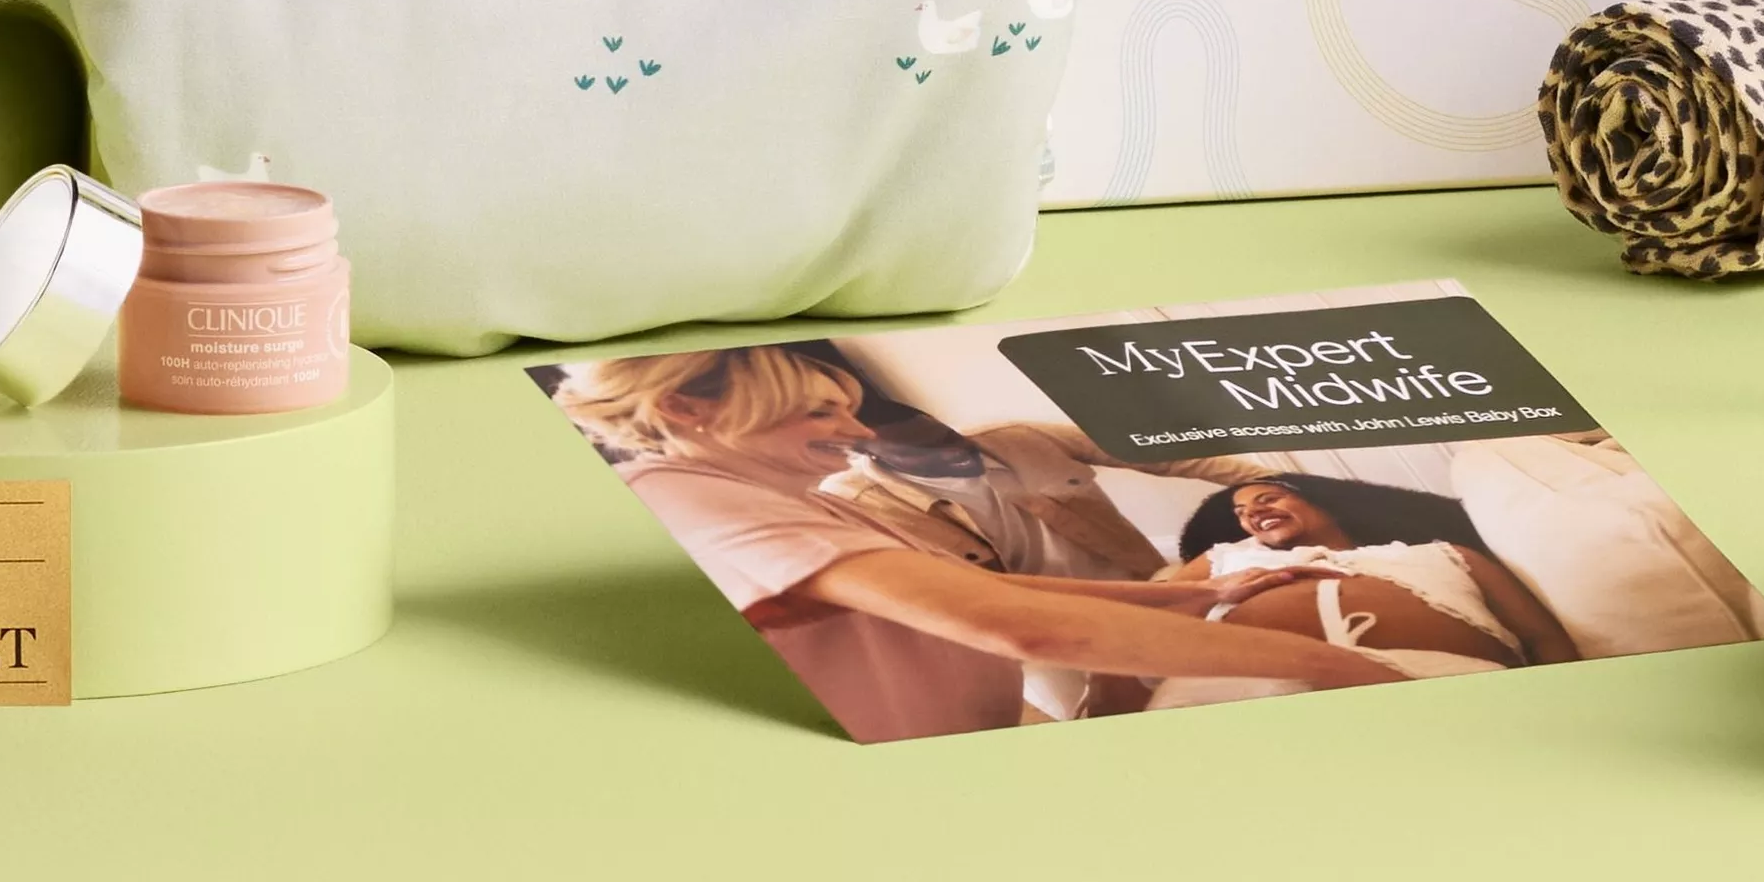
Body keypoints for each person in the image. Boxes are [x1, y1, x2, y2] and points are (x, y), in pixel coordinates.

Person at [550, 346, 1416, 735]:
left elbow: (1012, 604)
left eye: (849, 407)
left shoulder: (816, 497)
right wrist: (1352, 672)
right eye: (822, 409)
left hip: (1001, 706)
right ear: (687, 409)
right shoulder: (680, 492)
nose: (852, 430)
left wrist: (1190, 592)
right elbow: (1017, 622)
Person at [1160, 466, 1570, 674]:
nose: (1253, 513)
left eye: (1268, 498)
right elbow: (1152, 615)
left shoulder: (1447, 554)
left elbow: (1543, 637)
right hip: (1260, 694)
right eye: (1241, 513)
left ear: (1324, 503)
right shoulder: (1224, 558)